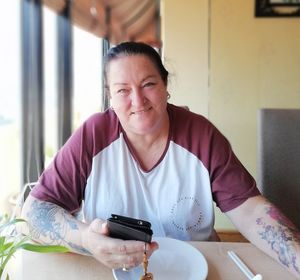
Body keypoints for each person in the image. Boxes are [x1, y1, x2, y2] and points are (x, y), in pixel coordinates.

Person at [21, 42, 300, 278]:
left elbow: (251, 211)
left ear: (166, 86)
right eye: (122, 90)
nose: (138, 100)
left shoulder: (200, 134)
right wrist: (84, 239)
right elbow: (35, 211)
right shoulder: (93, 135)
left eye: (149, 84)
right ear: (110, 96)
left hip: (199, 269)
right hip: (112, 270)